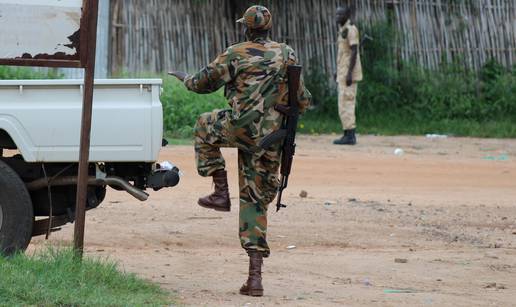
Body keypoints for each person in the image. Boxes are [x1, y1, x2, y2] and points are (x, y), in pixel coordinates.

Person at [169, 5, 311, 297]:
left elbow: (200, 83)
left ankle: (220, 192)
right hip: (272, 137)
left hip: (240, 129)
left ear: (246, 28)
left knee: (203, 126)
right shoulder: (287, 54)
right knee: (255, 200)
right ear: (269, 29)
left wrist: (184, 78)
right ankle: (255, 278)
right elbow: (303, 100)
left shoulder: (235, 52)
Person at [334, 5, 363, 145]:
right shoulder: (342, 30)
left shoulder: (351, 29)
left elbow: (354, 52)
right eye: (337, 15)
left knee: (347, 102)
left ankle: (350, 135)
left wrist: (350, 73)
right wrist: (337, 71)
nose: (337, 17)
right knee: (342, 104)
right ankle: (346, 133)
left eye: (340, 15)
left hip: (348, 73)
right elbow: (342, 54)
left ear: (347, 15)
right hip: (343, 71)